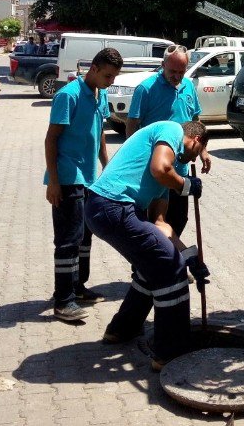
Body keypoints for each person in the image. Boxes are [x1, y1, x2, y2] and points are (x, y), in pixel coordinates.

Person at [84, 119, 209, 370]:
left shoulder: (166, 175)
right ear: (196, 141)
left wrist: (189, 256)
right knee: (171, 269)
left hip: (107, 210)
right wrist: (186, 186)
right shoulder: (172, 129)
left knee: (153, 265)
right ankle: (170, 353)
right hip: (114, 206)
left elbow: (160, 225)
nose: (191, 161)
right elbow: (160, 169)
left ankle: (122, 329)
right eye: (196, 153)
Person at [44, 46, 123, 322]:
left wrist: (107, 167)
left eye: (114, 77)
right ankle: (63, 301)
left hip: (90, 179)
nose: (111, 81)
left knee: (85, 236)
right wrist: (53, 181)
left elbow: (100, 133)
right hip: (67, 178)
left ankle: (78, 287)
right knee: (68, 239)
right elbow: (51, 139)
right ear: (94, 69)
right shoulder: (68, 95)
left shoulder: (99, 95)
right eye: (108, 76)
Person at [126, 44, 212, 236]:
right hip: (155, 169)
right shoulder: (146, 89)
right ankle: (145, 264)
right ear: (163, 64)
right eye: (173, 71)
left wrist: (203, 150)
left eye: (181, 72)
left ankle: (166, 258)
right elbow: (132, 125)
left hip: (180, 169)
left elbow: (195, 121)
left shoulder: (188, 85)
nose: (177, 76)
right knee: (153, 223)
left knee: (179, 218)